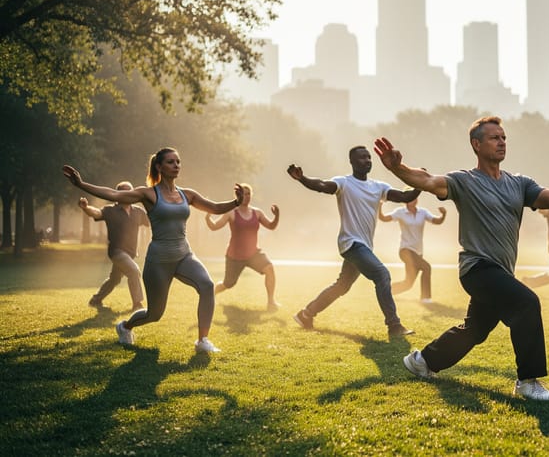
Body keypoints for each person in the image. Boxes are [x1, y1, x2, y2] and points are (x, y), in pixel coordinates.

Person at [374, 115, 549, 401]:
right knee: (527, 302)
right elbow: (428, 180)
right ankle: (528, 381)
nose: (502, 142)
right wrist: (398, 168)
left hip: (501, 271)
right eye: (494, 137)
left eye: (504, 137)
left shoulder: (520, 183)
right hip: (477, 268)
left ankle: (422, 361)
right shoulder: (464, 181)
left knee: (475, 330)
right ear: (476, 145)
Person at [63, 147, 243, 353]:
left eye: (178, 162)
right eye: (170, 162)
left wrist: (236, 202)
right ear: (159, 166)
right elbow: (113, 193)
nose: (176, 166)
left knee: (207, 285)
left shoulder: (187, 194)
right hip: (159, 261)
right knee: (154, 314)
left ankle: (202, 341)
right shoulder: (148, 193)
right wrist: (81, 184)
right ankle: (125, 326)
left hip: (184, 255)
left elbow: (215, 208)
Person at [287, 145, 420, 338]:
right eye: (361, 158)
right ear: (351, 162)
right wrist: (302, 179)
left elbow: (405, 196)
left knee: (342, 286)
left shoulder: (378, 187)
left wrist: (421, 184)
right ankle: (394, 326)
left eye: (368, 158)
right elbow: (323, 186)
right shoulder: (344, 183)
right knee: (382, 275)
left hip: (363, 245)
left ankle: (306, 314)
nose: (366, 161)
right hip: (351, 243)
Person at [205, 183, 281, 312]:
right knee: (228, 284)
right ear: (237, 196)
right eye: (243, 194)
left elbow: (271, 226)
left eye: (248, 194)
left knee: (269, 268)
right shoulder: (231, 213)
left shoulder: (257, 213)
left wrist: (276, 216)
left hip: (253, 254)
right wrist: (208, 217)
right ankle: (213, 292)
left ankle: (271, 302)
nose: (246, 196)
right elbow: (214, 227)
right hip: (235, 256)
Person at [81, 181, 149, 312]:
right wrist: (86, 208)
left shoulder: (138, 212)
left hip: (131, 253)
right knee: (134, 271)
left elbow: (153, 222)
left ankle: (96, 299)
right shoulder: (110, 210)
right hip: (117, 251)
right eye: (125, 192)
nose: (129, 195)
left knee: (114, 279)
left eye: (131, 192)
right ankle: (137, 304)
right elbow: (96, 213)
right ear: (117, 195)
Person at [378, 197, 447, 303]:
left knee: (408, 283)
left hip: (418, 252)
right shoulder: (400, 212)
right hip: (405, 250)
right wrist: (379, 207)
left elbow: (436, 221)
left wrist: (443, 214)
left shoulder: (422, 212)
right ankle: (426, 298)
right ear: (405, 200)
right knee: (427, 267)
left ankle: (384, 292)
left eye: (415, 198)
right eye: (410, 198)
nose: (413, 200)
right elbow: (383, 218)